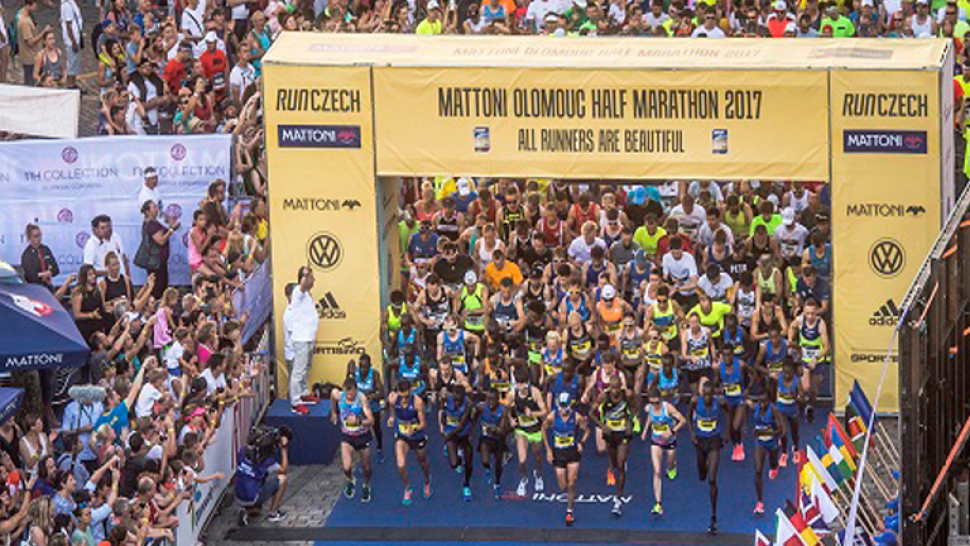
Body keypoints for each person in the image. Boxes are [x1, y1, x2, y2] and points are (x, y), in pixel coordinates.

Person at [689, 378, 730, 535]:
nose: (706, 398)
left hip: (714, 441)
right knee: (702, 475)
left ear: (713, 394)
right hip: (700, 441)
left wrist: (727, 431)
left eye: (709, 395)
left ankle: (713, 517)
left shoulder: (719, 402)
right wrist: (692, 433)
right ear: (701, 394)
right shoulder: (695, 401)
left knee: (712, 479)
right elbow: (688, 416)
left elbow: (729, 412)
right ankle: (703, 468)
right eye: (704, 395)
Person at [542, 391, 588, 527]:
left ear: (570, 406)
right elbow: (543, 429)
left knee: (571, 482)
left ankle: (569, 512)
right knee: (562, 485)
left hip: (572, 452)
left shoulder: (576, 417)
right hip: (559, 453)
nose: (562, 410)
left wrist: (581, 443)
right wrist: (548, 450)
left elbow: (587, 430)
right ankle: (570, 494)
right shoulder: (553, 416)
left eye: (565, 407)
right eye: (560, 407)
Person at [590, 375, 633, 517]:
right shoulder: (603, 397)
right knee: (614, 464)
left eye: (617, 388)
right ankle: (618, 466)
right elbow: (591, 413)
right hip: (609, 434)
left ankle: (618, 500)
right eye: (612, 388)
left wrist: (629, 424)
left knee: (620, 465)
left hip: (622, 434)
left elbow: (633, 410)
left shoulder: (626, 396)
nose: (615, 391)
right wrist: (602, 426)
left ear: (620, 386)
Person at [641, 385, 686, 516]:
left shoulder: (668, 408)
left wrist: (672, 431)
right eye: (652, 402)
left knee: (669, 463)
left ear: (661, 399)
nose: (655, 405)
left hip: (670, 441)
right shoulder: (649, 408)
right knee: (657, 471)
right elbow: (650, 417)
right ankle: (658, 503)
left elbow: (682, 420)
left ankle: (672, 466)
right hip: (656, 442)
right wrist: (644, 431)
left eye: (657, 402)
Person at [329, 376, 374, 503]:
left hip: (362, 436)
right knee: (346, 467)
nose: (350, 395)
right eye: (347, 392)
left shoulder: (361, 398)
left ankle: (366, 485)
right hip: (347, 436)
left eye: (352, 392)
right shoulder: (339, 395)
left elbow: (371, 420)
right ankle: (350, 480)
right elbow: (332, 395)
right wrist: (333, 412)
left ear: (356, 389)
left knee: (366, 468)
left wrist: (359, 420)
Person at [387, 380, 432, 506]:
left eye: (407, 396)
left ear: (411, 392)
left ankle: (427, 481)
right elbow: (392, 411)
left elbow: (423, 423)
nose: (404, 399)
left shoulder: (418, 402)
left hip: (417, 436)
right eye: (401, 396)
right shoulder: (393, 399)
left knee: (422, 461)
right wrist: (391, 418)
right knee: (401, 464)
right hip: (402, 436)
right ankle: (407, 488)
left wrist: (414, 428)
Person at [235, 426, 289, 526]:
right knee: (283, 479)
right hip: (253, 495)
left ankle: (248, 510)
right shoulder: (266, 461)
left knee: (256, 478)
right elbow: (284, 470)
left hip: (239, 496)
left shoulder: (242, 451)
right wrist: (284, 449)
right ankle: (273, 513)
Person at [788, 297, 829, 423]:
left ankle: (810, 406)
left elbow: (827, 347)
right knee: (805, 388)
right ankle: (801, 405)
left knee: (814, 391)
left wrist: (816, 358)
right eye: (807, 313)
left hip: (817, 359)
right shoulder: (800, 320)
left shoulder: (820, 324)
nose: (810, 316)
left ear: (816, 311)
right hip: (804, 359)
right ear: (804, 312)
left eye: (812, 313)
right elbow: (792, 326)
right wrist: (791, 339)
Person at [510, 366, 548, 497]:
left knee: (537, 455)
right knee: (522, 459)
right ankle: (523, 479)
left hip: (535, 429)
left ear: (527, 383)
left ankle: (538, 475)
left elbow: (544, 411)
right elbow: (505, 408)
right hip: (522, 430)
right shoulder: (513, 393)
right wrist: (510, 419)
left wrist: (533, 413)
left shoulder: (535, 392)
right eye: (517, 384)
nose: (519, 387)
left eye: (522, 384)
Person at [287, 266, 320, 414]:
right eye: (311, 278)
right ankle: (295, 401)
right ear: (304, 279)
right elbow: (302, 286)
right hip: (300, 339)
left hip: (308, 337)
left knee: (306, 368)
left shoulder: (307, 295)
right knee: (298, 371)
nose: (314, 280)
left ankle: (304, 393)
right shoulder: (297, 292)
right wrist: (305, 277)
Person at [751, 388, 786, 515]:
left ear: (769, 402)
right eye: (759, 402)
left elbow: (781, 431)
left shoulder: (774, 410)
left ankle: (774, 466)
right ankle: (759, 501)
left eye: (764, 402)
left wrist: (764, 432)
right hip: (760, 443)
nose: (762, 405)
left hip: (772, 443)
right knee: (758, 470)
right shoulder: (756, 409)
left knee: (772, 463)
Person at [439, 384, 475, 501]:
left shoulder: (468, 404)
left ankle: (466, 485)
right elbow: (441, 412)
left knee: (469, 462)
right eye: (455, 400)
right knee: (454, 464)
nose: (457, 403)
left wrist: (448, 435)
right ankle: (457, 456)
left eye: (460, 401)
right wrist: (442, 426)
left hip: (463, 433)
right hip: (451, 433)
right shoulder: (445, 398)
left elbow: (461, 426)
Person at [348, 354, 385, 463]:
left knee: (376, 429)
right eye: (361, 366)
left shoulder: (374, 374)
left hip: (373, 407)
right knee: (360, 430)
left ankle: (379, 448)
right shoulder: (355, 373)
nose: (363, 369)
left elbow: (382, 393)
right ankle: (362, 456)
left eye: (365, 367)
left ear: (370, 366)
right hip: (360, 408)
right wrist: (348, 371)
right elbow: (347, 387)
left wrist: (368, 397)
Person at [714, 345, 747, 462]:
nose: (727, 357)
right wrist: (719, 389)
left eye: (729, 355)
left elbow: (752, 376)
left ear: (733, 354)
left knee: (735, 426)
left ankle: (740, 446)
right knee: (731, 427)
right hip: (728, 401)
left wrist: (747, 389)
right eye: (725, 355)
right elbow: (716, 383)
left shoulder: (741, 365)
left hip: (739, 400)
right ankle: (736, 445)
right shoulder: (719, 368)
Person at [138, 201, 176, 299]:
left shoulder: (152, 223)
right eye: (154, 207)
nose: (157, 209)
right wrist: (172, 230)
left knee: (160, 286)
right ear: (147, 211)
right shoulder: (151, 224)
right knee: (158, 288)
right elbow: (161, 240)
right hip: (156, 262)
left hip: (159, 261)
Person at [478, 388, 510, 499]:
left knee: (498, 465)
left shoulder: (504, 410)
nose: (490, 402)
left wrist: (493, 429)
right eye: (488, 399)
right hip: (486, 438)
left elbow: (502, 430)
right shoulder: (481, 407)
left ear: (498, 400)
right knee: (484, 460)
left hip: (498, 440)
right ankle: (486, 469)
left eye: (493, 399)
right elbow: (473, 418)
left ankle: (497, 484)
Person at [20, 224, 60, 290]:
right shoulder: (27, 255)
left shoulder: (45, 249)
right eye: (35, 236)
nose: (39, 238)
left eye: (40, 235)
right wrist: (43, 275)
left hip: (48, 287)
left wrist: (49, 273)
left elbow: (56, 269)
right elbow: (31, 276)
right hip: (35, 289)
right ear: (30, 238)